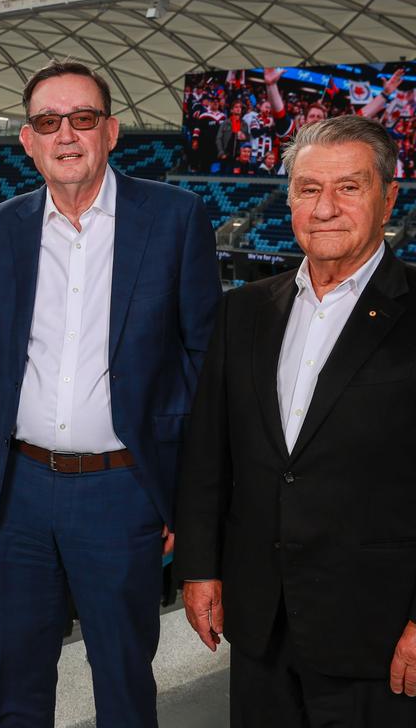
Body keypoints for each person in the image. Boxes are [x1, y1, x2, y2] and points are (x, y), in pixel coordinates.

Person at [0, 60, 221, 727]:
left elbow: (204, 360)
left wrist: (170, 483)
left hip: (122, 489)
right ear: (28, 140)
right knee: (15, 685)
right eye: (49, 122)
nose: (67, 135)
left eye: (82, 119)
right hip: (20, 491)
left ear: (110, 131)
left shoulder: (175, 219)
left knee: (123, 681)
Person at [175, 114, 416, 726]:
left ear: (388, 197)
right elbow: (209, 456)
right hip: (263, 624)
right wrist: (200, 569)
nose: (326, 207)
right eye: (309, 189)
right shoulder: (244, 311)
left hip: (378, 631)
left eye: (349, 187)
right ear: (289, 202)